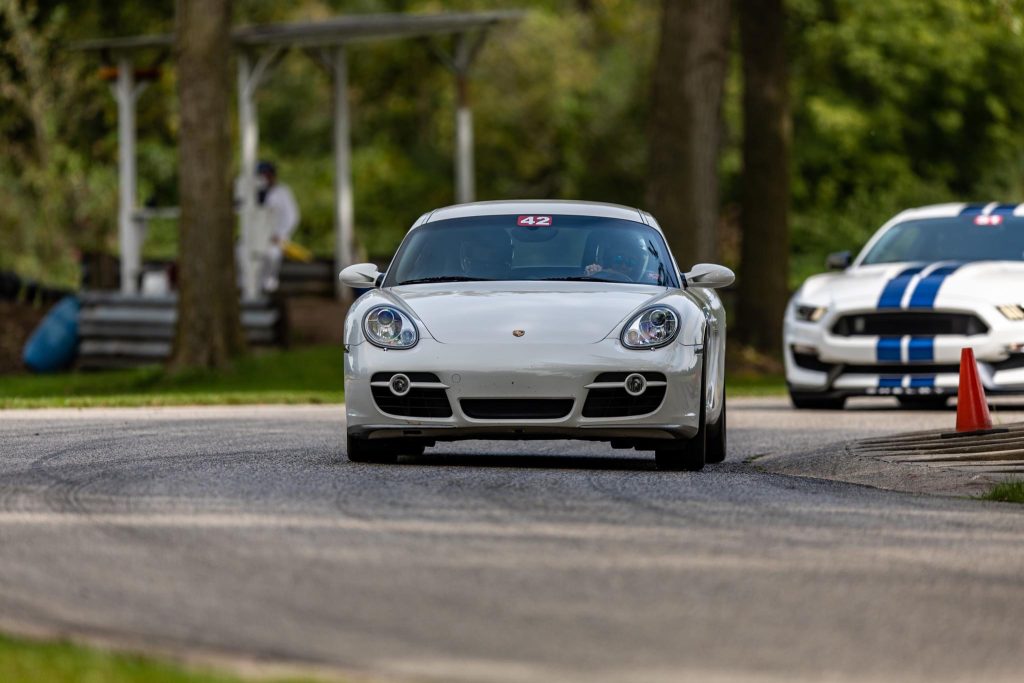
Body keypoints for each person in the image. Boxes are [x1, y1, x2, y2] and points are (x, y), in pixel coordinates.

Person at [238, 161, 300, 293]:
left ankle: (268, 287)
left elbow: (291, 216)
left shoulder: (282, 192)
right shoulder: (250, 192)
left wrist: (280, 234)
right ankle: (244, 285)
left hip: (274, 237)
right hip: (253, 237)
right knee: (240, 252)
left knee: (272, 255)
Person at [584, 232, 649, 281]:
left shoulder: (648, 283)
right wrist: (591, 275)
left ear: (637, 267)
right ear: (609, 259)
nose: (624, 266)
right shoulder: (597, 273)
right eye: (619, 259)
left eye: (630, 262)